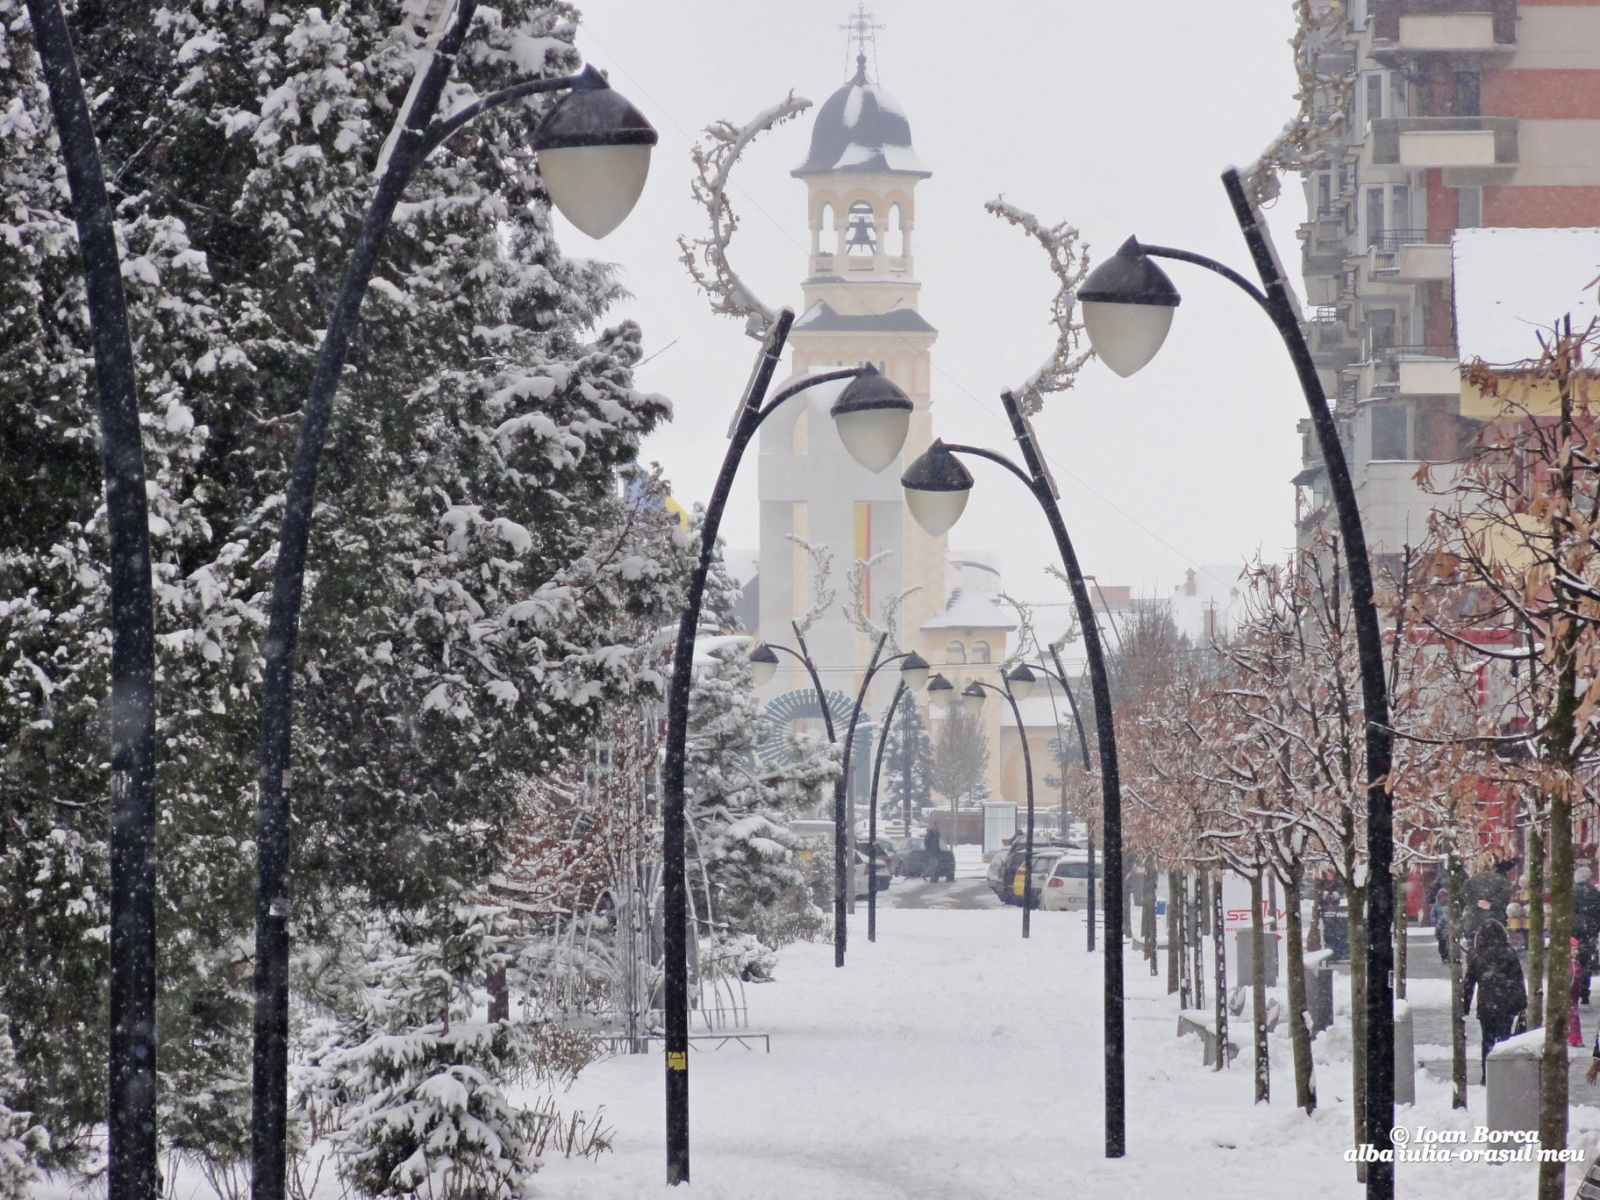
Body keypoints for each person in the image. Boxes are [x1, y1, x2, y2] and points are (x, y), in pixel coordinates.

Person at [1463, 919, 1527, 1085]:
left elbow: (1468, 983)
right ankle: (1504, 1072)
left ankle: (1487, 1074)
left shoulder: (1477, 955)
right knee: (1505, 1039)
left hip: (1486, 1006)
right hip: (1507, 1005)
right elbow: (1518, 979)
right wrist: (1522, 1005)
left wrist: (1464, 1007)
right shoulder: (1509, 953)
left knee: (1487, 1040)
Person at [1461, 858, 1517, 946]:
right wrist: (1492, 904)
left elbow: (1465, 895)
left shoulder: (1470, 881)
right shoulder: (1501, 880)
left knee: (1473, 943)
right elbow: (1505, 895)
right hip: (1496, 918)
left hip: (1474, 918)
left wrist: (1477, 902)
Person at [1574, 867, 1600, 1003]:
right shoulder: (1595, 894)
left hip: (1572, 932)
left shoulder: (1569, 893)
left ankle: (1573, 989)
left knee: (1573, 961)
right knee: (1586, 962)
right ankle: (1585, 992)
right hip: (1589, 932)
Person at [1432, 887, 1451, 964]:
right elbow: (1432, 914)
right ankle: (1444, 956)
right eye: (1440, 896)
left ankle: (1448, 955)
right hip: (1440, 926)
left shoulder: (1450, 905)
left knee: (1448, 942)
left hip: (1448, 927)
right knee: (1442, 943)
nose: (1443, 898)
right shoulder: (1436, 905)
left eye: (1444, 896)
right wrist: (1434, 921)